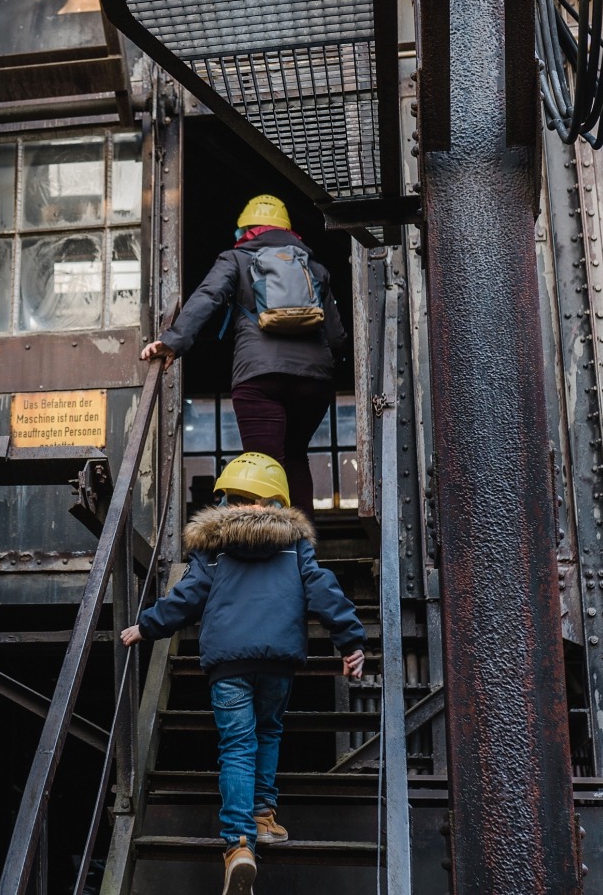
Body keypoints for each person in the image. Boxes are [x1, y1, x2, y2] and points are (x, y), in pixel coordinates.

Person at [119, 453, 365, 895]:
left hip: (229, 662)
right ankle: (263, 816)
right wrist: (350, 641)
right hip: (278, 661)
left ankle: (237, 843)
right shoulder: (296, 546)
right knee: (269, 733)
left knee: (237, 746)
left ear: (227, 499)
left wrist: (148, 626)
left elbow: (187, 597)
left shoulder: (213, 548)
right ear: (277, 502)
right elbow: (323, 589)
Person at [141, 194, 347, 518]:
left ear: (246, 230)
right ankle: (304, 550)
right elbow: (335, 337)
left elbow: (208, 296)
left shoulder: (235, 259)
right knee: (296, 456)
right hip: (314, 380)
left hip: (259, 376)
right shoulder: (315, 268)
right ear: (288, 231)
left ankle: (274, 550)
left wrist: (174, 341)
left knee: (265, 464)